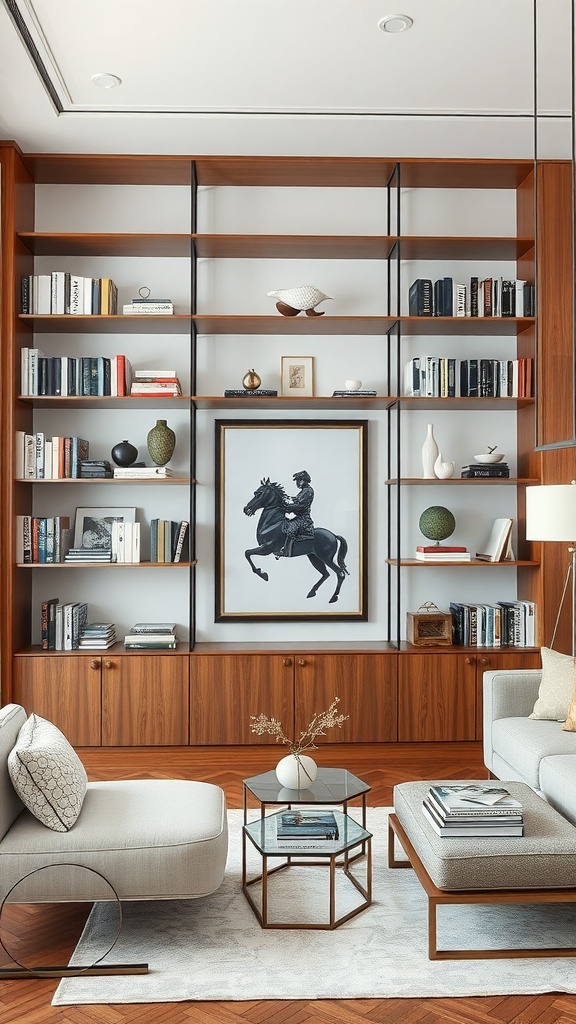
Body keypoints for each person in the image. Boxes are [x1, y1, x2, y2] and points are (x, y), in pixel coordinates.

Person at [279, 470, 315, 557]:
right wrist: (286, 498)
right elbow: (296, 499)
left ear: (303, 480)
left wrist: (286, 507)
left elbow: (300, 505)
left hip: (303, 518)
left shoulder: (308, 491)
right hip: (299, 516)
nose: (297, 483)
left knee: (290, 529)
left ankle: (285, 550)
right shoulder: (304, 491)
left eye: (299, 480)